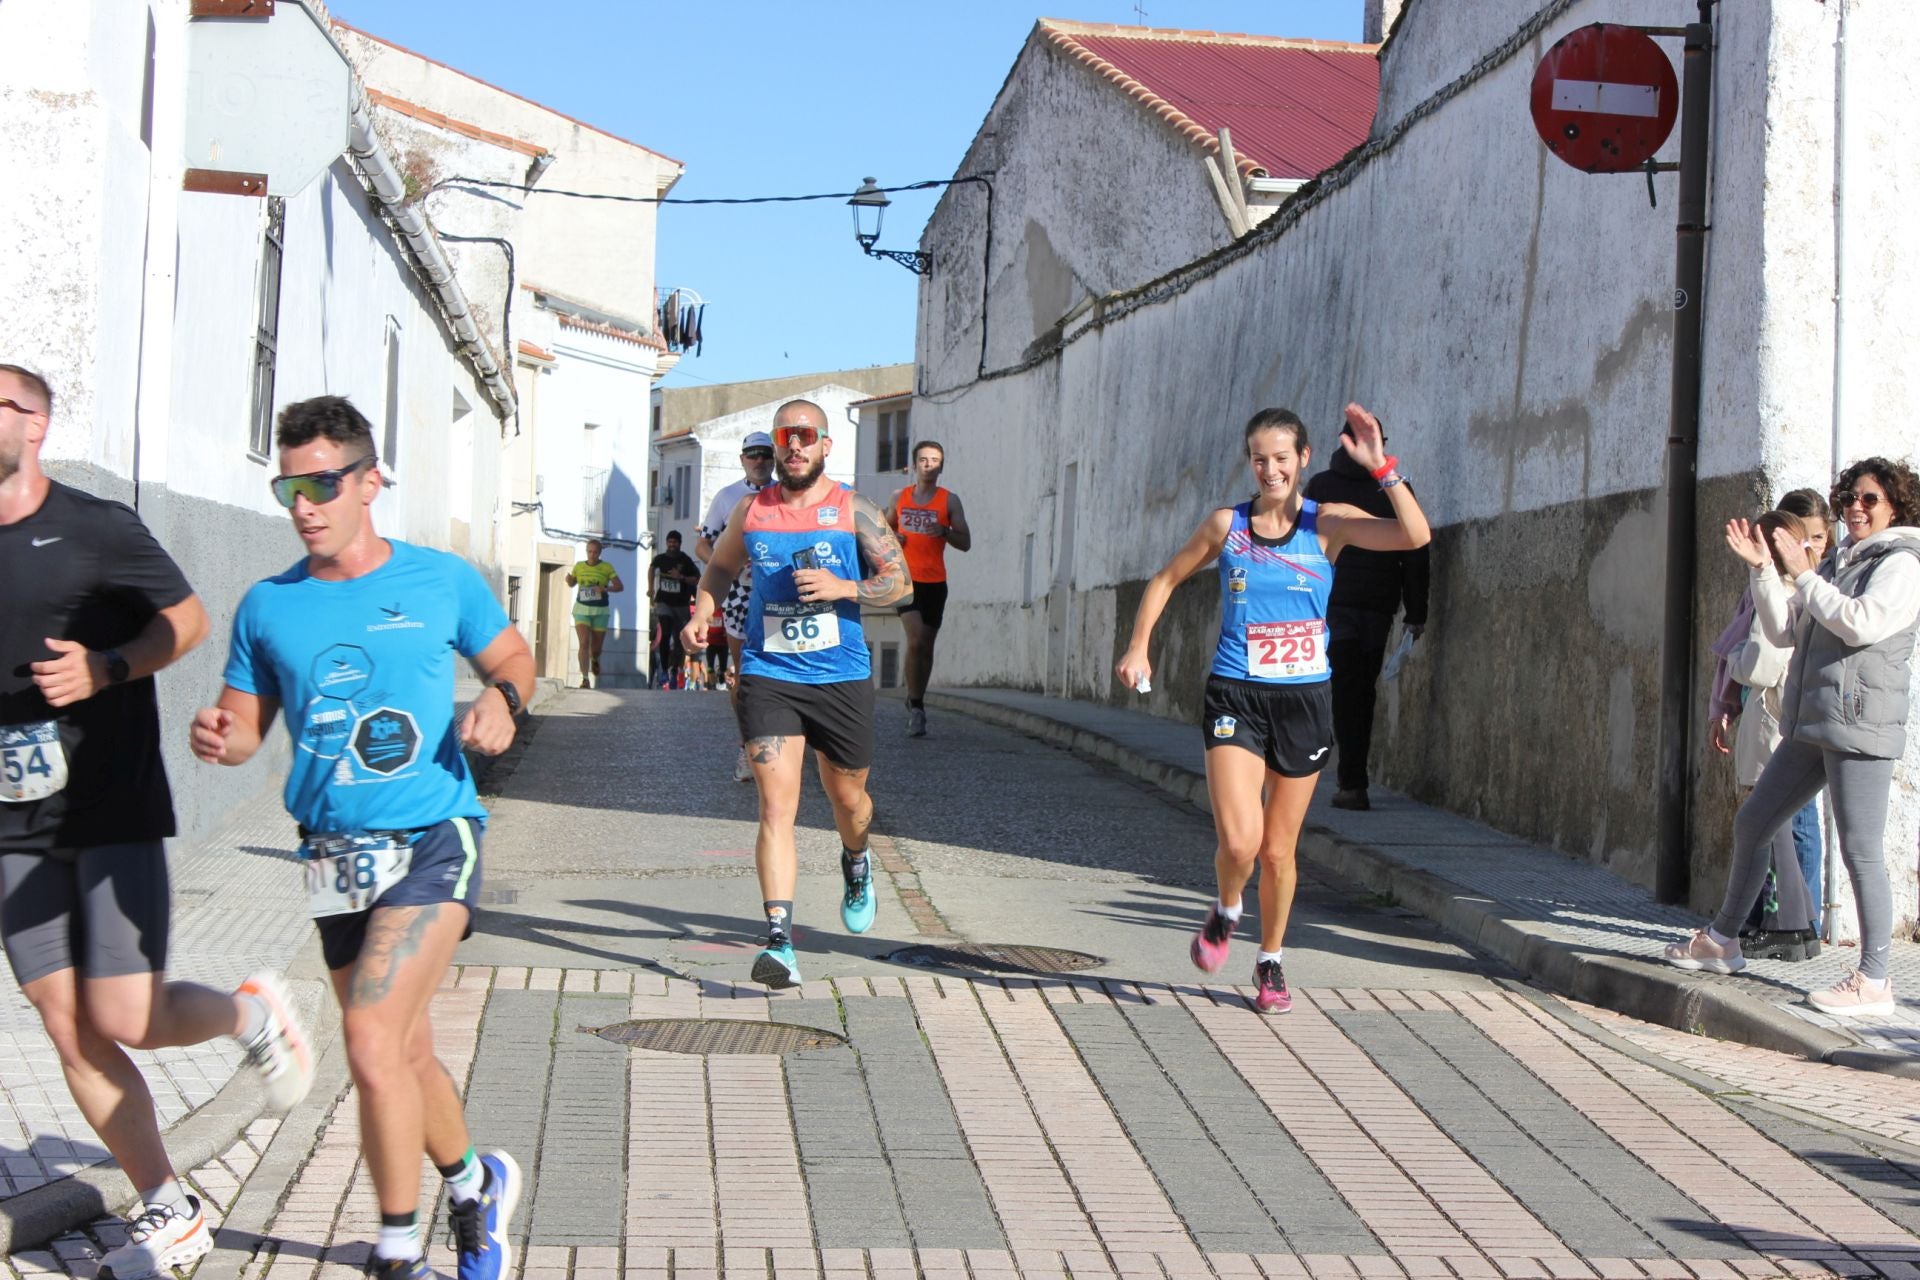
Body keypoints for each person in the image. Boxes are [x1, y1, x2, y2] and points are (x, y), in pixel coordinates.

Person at [191, 395, 533, 1280]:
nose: (304, 503)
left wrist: (502, 699)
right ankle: (473, 1188)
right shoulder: (268, 607)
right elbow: (242, 729)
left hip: (431, 835)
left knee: (372, 1039)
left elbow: (512, 658)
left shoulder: (438, 579)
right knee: (403, 1051)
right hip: (331, 856)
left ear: (369, 480)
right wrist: (218, 739)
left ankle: (394, 1253)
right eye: (288, 487)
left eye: (321, 482)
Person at [0, 364, 314, 1280]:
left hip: (109, 803)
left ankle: (248, 1012)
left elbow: (185, 619)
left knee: (126, 1014)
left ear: (40, 428)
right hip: (13, 818)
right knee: (68, 1028)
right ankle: (169, 1208)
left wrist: (107, 668)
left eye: (4, 403)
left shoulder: (96, 527)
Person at [1116, 405, 1430, 1014]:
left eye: (1281, 458)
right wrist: (1138, 645)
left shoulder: (1328, 523)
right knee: (1240, 843)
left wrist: (1384, 469)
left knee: (1279, 852)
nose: (1270, 470)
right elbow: (1164, 580)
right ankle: (1228, 907)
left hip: (1305, 699)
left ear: (1303, 460)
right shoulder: (1224, 526)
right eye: (1259, 459)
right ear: (1250, 462)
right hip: (1236, 693)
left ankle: (1271, 960)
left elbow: (1414, 536)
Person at [1665, 457, 1920, 1017]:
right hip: (1813, 721)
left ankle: (1875, 980)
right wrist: (1763, 570)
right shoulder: (1843, 561)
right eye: (1849, 496)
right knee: (1754, 820)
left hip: (1860, 725)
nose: (1855, 506)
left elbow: (1861, 623)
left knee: (1860, 850)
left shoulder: (1902, 563)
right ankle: (1723, 942)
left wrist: (1803, 572)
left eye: (1869, 499)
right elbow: (1786, 631)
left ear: (1896, 505)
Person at [683, 401, 911, 988]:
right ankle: (779, 941)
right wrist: (702, 612)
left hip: (840, 675)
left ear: (825, 445)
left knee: (849, 802)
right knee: (775, 806)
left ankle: (856, 860)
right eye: (786, 437)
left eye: (805, 436)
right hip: (769, 671)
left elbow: (901, 585)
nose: (794, 446)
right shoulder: (751, 510)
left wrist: (845, 586)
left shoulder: (852, 509)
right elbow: (720, 569)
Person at [1703, 509, 1820, 960]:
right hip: (1776, 720)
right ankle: (1797, 928)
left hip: (1770, 722)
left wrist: (1734, 658)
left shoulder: (1778, 595)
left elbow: (1762, 664)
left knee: (1766, 828)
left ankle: (1785, 927)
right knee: (1773, 829)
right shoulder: (1789, 594)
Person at [1302, 424, 1428, 810]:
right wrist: (1416, 612)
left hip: (1332, 602)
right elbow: (1417, 552)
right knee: (1362, 691)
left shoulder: (1320, 485)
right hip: (1377, 605)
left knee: (1339, 686)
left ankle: (1349, 781)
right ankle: (1353, 782)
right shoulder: (1394, 487)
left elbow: (1300, 545)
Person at [696, 431, 776, 780]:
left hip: (780, 597)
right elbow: (703, 544)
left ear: (773, 458)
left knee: (779, 674)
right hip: (741, 595)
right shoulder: (728, 496)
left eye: (764, 454)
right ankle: (747, 747)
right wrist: (723, 565)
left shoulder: (785, 492)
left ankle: (782, 746)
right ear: (742, 459)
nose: (758, 460)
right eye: (751, 455)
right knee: (745, 674)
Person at [887, 441, 971, 737]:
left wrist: (946, 532)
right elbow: (882, 533)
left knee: (927, 646)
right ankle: (918, 706)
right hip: (905, 580)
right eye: (923, 460)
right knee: (916, 640)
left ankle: (916, 699)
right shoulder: (900, 497)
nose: (928, 465)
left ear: (941, 466)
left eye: (934, 461)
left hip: (935, 582)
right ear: (913, 465)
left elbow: (966, 543)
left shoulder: (950, 501)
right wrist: (895, 537)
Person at [566, 540, 622, 689]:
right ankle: (585, 678)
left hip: (600, 611)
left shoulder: (606, 567)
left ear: (600, 553)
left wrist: (605, 589)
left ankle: (595, 659)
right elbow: (573, 583)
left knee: (596, 649)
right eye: (589, 552)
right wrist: (569, 580)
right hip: (582, 609)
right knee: (583, 643)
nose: (592, 555)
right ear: (586, 551)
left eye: (595, 552)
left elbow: (619, 586)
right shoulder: (579, 566)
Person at [648, 530, 699, 690]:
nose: (671, 545)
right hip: (664, 603)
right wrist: (651, 588)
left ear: (679, 543)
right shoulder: (660, 559)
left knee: (679, 641)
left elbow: (697, 578)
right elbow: (651, 569)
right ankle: (663, 669)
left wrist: (681, 577)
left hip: (681, 605)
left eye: (674, 542)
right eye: (669, 542)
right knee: (665, 635)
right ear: (666, 543)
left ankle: (674, 671)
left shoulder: (686, 560)